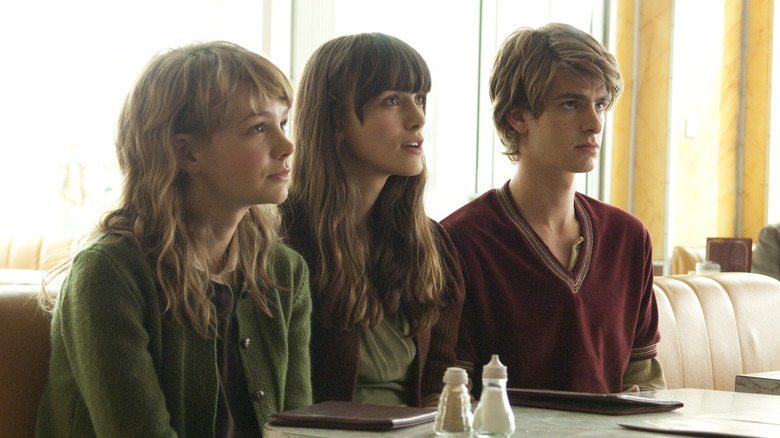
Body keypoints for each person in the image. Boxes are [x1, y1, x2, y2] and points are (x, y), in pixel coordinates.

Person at [36, 41, 312, 436]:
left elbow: (299, 428)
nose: (287, 146)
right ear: (187, 154)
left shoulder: (284, 271)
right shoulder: (108, 273)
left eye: (283, 124)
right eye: (257, 128)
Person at [441, 23, 666, 395]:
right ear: (518, 116)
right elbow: (452, 393)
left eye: (600, 104)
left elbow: (645, 383)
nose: (594, 123)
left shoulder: (628, 237)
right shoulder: (461, 241)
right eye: (571, 104)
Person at [282, 32, 464, 407]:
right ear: (335, 119)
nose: (418, 118)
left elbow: (440, 383)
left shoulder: (431, 242)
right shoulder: (282, 239)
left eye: (419, 99)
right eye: (392, 100)